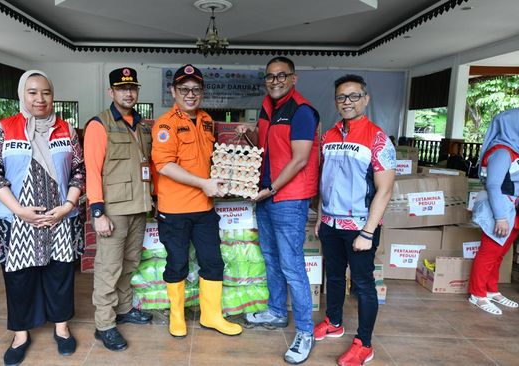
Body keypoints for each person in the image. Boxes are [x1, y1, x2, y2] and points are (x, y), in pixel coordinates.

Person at [0, 70, 85, 366]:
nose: (40, 98)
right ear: (22, 95)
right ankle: (20, 334)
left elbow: (79, 170)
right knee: (18, 278)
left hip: (60, 216)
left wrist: (67, 205)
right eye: (33, 92)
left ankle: (62, 328)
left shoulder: (67, 130)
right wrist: (19, 210)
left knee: (60, 275)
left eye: (46, 92)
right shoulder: (4, 129)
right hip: (16, 218)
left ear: (53, 95)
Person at [235, 56, 320, 364]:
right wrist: (250, 135)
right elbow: (269, 146)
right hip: (267, 196)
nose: (274, 81)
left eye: (281, 76)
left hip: (288, 198)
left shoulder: (302, 112)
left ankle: (305, 332)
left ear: (292, 79)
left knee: (291, 265)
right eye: (270, 76)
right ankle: (275, 310)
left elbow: (299, 159)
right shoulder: (267, 106)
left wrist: (270, 189)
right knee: (270, 256)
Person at [152, 64, 242, 338]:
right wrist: (204, 184)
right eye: (184, 89)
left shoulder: (205, 120)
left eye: (196, 89)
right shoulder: (165, 124)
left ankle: (211, 316)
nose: (190, 94)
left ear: (202, 92)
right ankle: (177, 316)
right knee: (177, 263)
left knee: (213, 262)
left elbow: (210, 159)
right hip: (175, 210)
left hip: (204, 208)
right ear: (173, 91)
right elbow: (164, 165)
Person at [314, 74, 395, 366]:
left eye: (353, 96)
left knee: (362, 285)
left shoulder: (378, 138)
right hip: (331, 224)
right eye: (341, 97)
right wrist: (321, 217)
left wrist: (368, 232)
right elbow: (327, 180)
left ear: (366, 99)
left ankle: (365, 343)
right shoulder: (329, 136)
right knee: (333, 276)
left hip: (361, 226)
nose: (346, 102)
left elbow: (384, 190)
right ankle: (334, 321)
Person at [84, 67, 153, 352]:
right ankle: (104, 325)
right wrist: (98, 213)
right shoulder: (99, 124)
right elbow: (92, 171)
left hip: (139, 207)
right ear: (111, 92)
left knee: (130, 263)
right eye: (122, 88)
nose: (128, 92)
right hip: (113, 210)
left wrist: (154, 199)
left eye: (133, 88)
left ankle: (124, 309)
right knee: (108, 268)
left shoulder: (141, 125)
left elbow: (147, 165)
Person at [469, 108, 519, 314]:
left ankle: (491, 290)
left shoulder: (515, 149)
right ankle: (477, 294)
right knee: (489, 253)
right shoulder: (502, 151)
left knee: (499, 253)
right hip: (500, 211)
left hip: (512, 210)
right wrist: (500, 218)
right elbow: (493, 185)